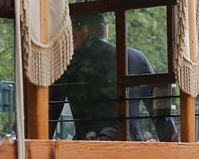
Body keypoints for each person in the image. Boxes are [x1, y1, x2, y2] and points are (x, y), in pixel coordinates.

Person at [49, 14, 177, 142]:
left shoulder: (67, 63)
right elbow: (160, 110)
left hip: (88, 147)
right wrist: (172, 147)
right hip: (133, 147)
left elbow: (49, 114)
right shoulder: (135, 58)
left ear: (81, 32)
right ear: (105, 30)